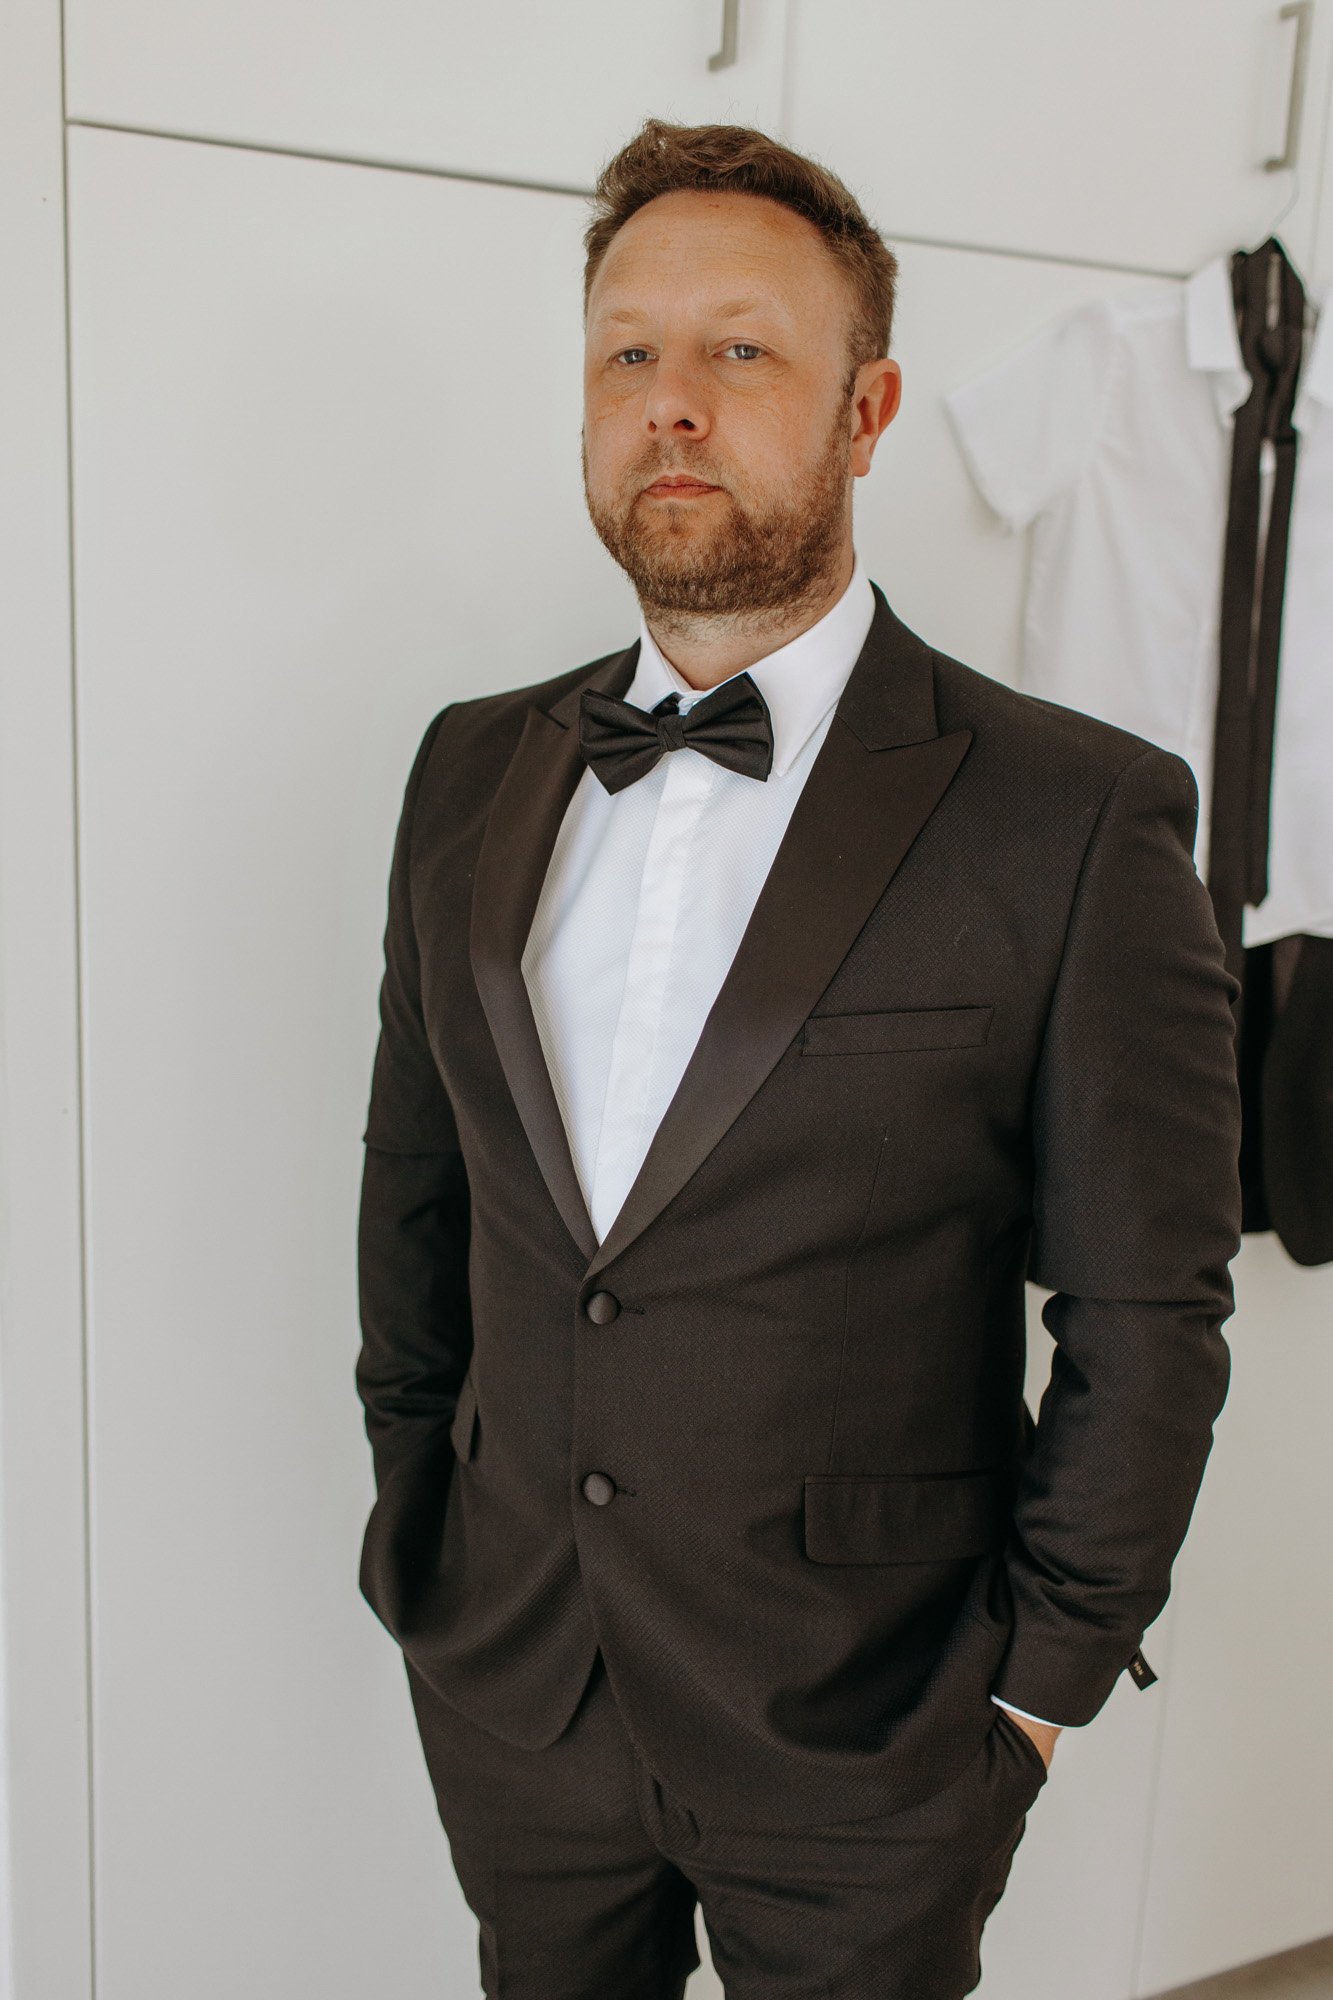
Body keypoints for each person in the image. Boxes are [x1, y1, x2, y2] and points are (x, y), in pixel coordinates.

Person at [354, 118, 1243, 2000]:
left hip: (877, 1734)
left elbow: (1145, 1312)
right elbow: (413, 1198)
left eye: (740, 348)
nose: (669, 401)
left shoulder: (1075, 817)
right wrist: (425, 1529)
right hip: (516, 1694)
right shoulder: (465, 769)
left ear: (867, 408)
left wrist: (1037, 1693)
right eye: (627, 350)